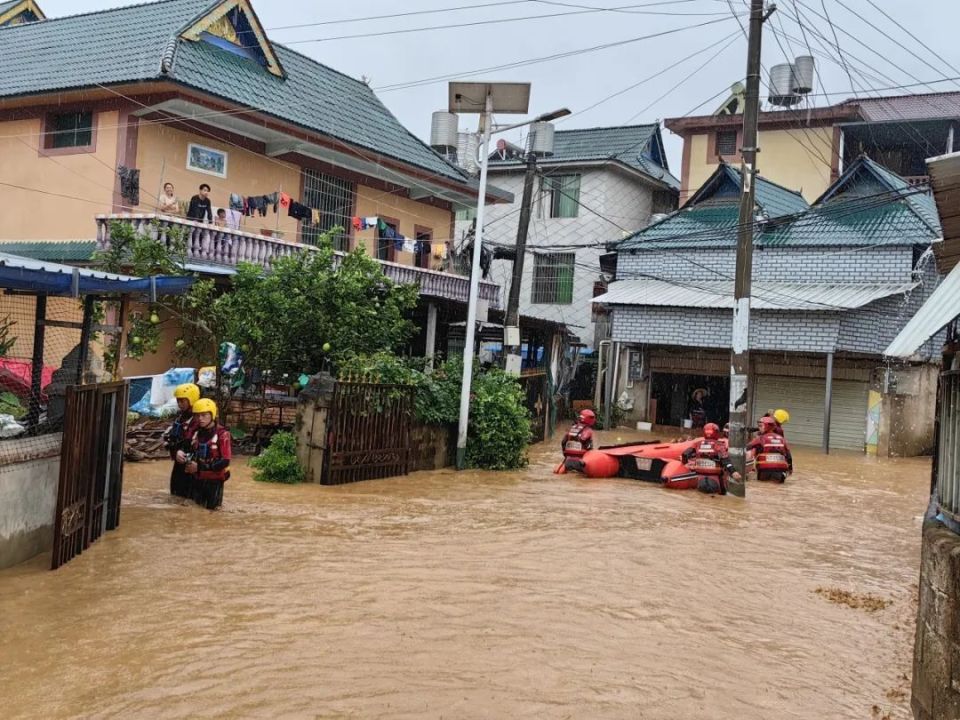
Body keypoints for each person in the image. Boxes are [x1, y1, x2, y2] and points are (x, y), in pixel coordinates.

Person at [185, 398, 231, 510]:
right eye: (197, 416)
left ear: (212, 415)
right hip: (197, 479)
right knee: (196, 509)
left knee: (212, 512)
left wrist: (200, 467)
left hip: (214, 481)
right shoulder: (196, 433)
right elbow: (190, 451)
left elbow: (225, 461)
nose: (200, 419)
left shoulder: (223, 434)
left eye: (204, 415)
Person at [682, 422, 741, 495]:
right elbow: (725, 460)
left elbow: (684, 454)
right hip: (715, 480)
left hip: (701, 480)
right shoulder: (719, 445)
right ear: (716, 433)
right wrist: (733, 472)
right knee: (720, 498)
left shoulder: (697, 444)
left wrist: (685, 465)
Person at [166, 383, 200, 499]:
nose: (180, 404)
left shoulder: (200, 420)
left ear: (191, 400)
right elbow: (171, 440)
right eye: (178, 401)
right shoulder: (180, 418)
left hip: (192, 465)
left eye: (183, 401)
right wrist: (176, 452)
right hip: (179, 464)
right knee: (175, 496)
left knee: (189, 500)